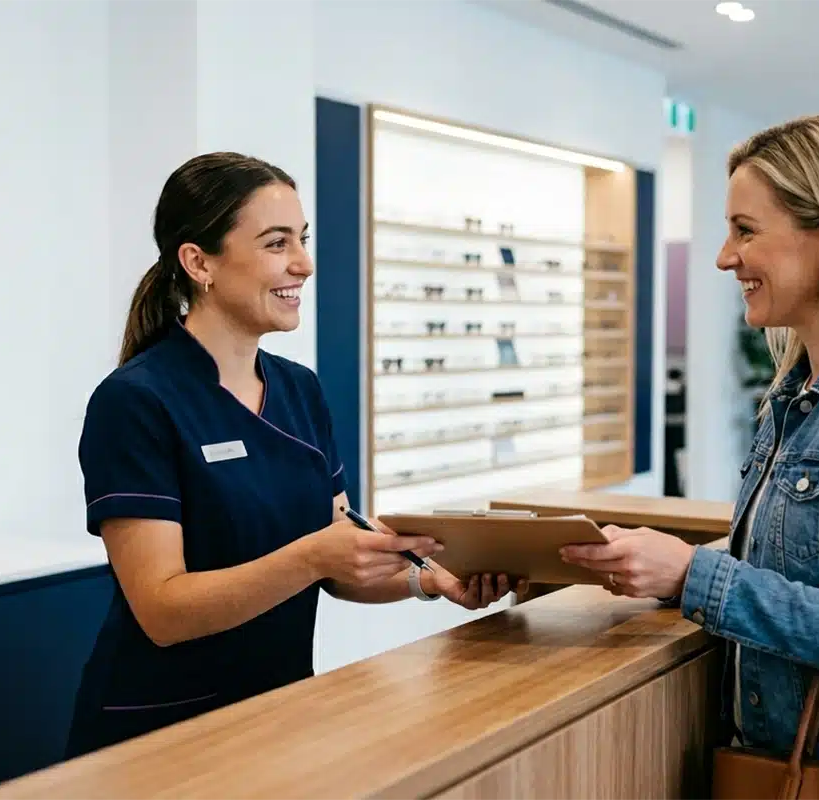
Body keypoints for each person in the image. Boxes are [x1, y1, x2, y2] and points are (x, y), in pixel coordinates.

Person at [561, 115, 819, 779]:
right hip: (783, 761)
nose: (724, 257)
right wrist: (656, 561)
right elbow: (797, 566)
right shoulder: (797, 394)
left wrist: (691, 575)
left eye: (745, 230)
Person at [68, 152, 519, 757]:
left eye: (301, 240)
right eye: (277, 243)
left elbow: (339, 554)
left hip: (278, 714)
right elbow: (162, 609)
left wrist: (429, 579)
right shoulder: (136, 402)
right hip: (161, 733)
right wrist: (311, 557)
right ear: (198, 261)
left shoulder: (299, 390)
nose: (303, 264)